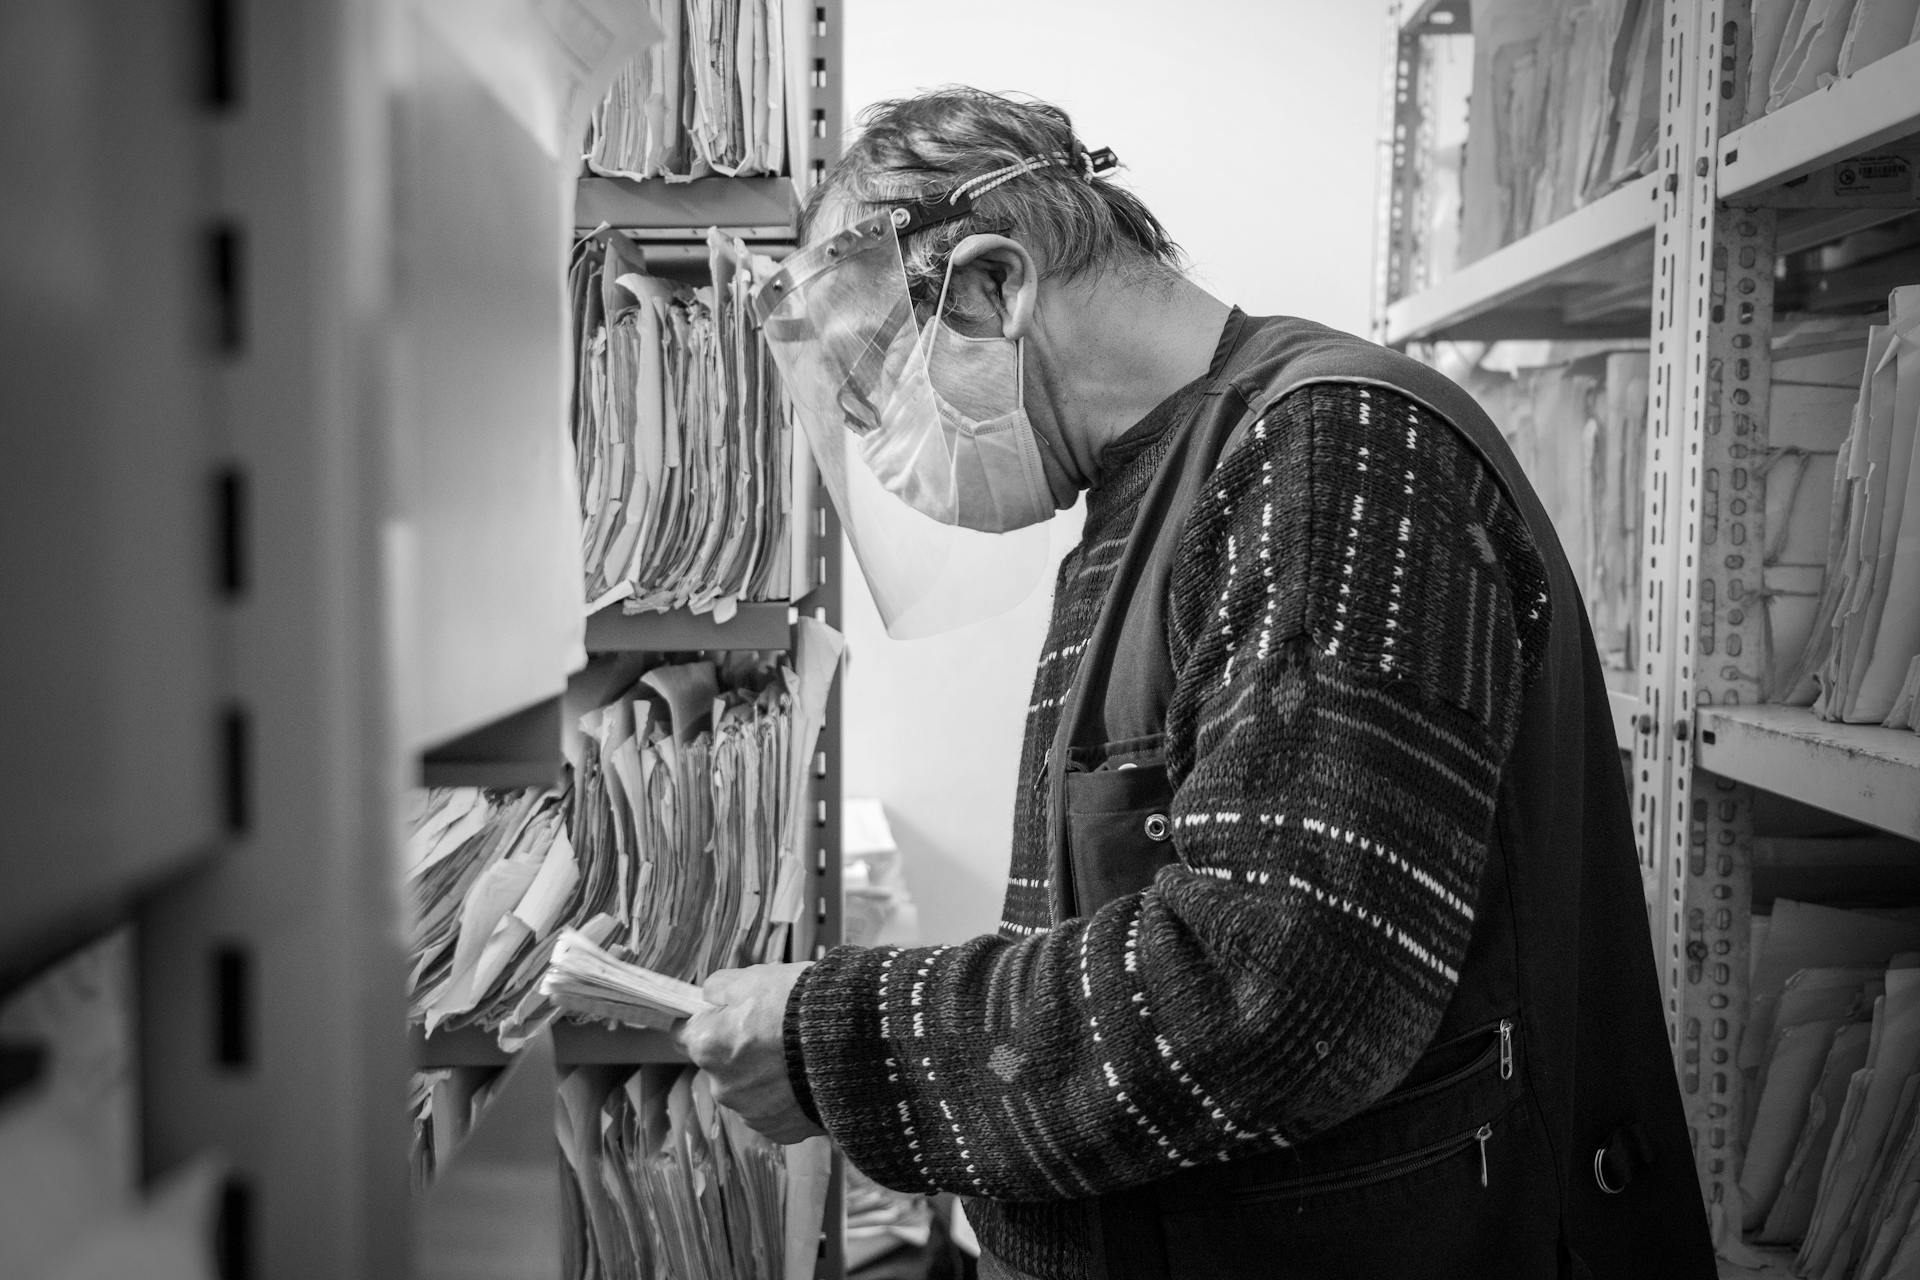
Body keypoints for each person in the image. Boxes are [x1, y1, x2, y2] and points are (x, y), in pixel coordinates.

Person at [677, 86, 1717, 1280]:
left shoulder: (1336, 455)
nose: (884, 454)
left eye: (877, 392)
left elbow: (1276, 986)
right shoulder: (1168, 483)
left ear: (992, 286)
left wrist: (836, 1042)